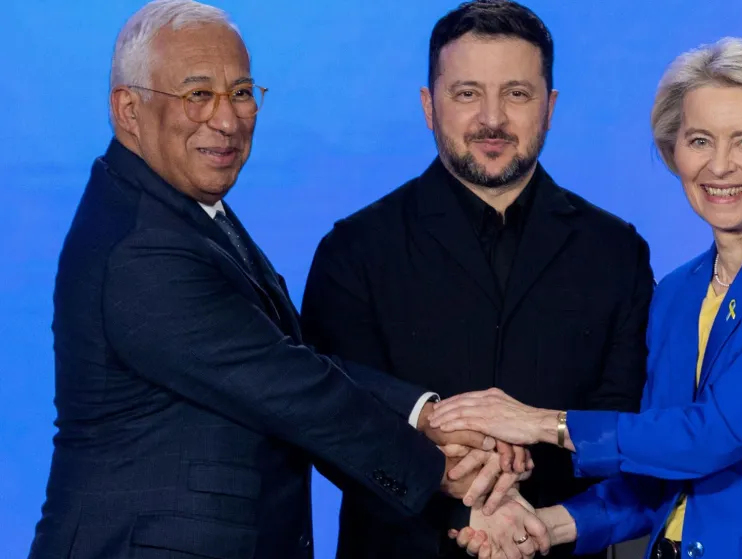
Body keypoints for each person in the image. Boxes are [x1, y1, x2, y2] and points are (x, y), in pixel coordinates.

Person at [27, 2, 516, 558]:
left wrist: (425, 414)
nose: (227, 120)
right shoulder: (142, 246)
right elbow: (290, 388)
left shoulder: (181, 208)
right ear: (129, 110)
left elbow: (288, 359)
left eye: (240, 92)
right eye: (197, 94)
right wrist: (444, 474)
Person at [432, 37, 742, 559]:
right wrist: (543, 526)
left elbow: (709, 438)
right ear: (673, 151)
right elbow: (656, 473)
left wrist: (541, 423)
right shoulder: (679, 293)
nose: (720, 166)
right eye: (700, 140)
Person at [299, 1, 654, 557]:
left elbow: (623, 417)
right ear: (429, 105)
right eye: (467, 93)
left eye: (517, 94)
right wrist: (464, 500)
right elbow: (333, 420)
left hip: (555, 545)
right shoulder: (353, 249)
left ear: (550, 107)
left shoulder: (617, 251)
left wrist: (524, 478)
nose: (492, 119)